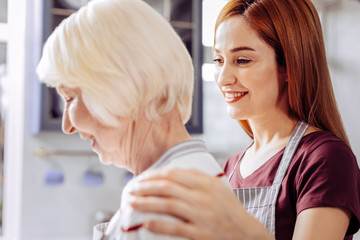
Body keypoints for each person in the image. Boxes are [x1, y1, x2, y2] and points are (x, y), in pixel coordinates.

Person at [129, 0, 360, 239]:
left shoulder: (324, 159)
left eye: (242, 60)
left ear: (290, 65)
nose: (224, 78)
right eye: (218, 60)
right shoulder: (230, 168)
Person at [36, 0, 229, 239]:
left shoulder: (157, 204)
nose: (67, 125)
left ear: (120, 86)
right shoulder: (197, 176)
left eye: (69, 98)